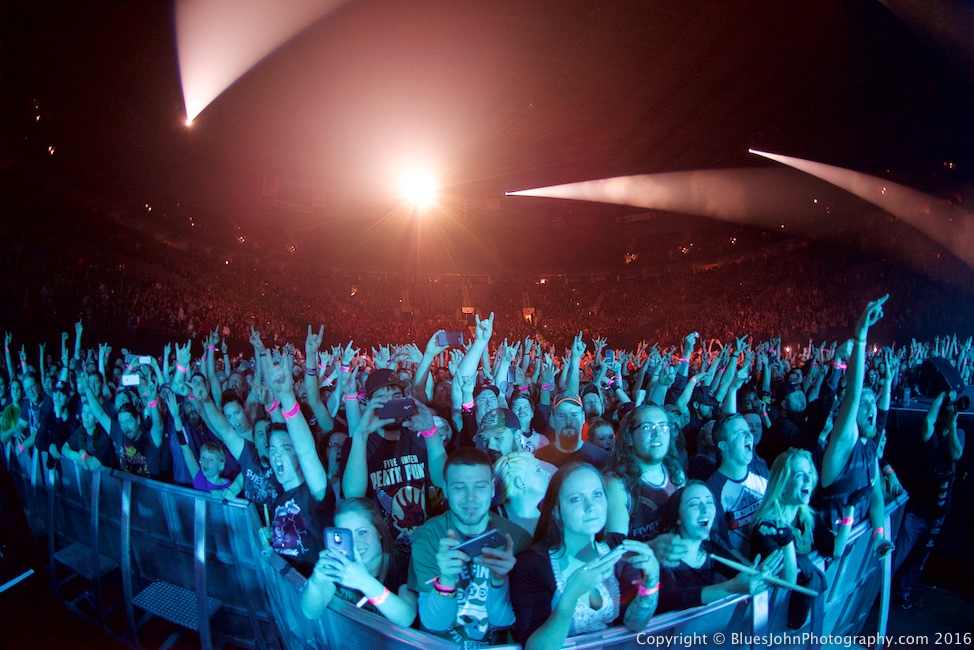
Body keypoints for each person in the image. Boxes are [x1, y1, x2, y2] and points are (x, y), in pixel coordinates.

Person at [510, 463, 659, 649]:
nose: (591, 507)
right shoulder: (531, 565)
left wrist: (652, 581)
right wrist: (569, 598)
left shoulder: (617, 548)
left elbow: (635, 623)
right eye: (576, 499)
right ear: (556, 511)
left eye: (597, 495)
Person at [407, 447, 530, 645]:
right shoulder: (429, 536)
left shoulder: (516, 539)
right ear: (445, 490)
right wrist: (446, 580)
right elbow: (434, 625)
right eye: (459, 487)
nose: (470, 497)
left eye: (480, 487)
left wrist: (499, 581)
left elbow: (503, 622)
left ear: (492, 489)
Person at [342, 368, 447, 553]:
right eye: (382, 398)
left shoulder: (418, 438)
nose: (390, 403)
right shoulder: (359, 443)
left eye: (396, 396)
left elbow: (442, 480)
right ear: (369, 402)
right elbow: (353, 494)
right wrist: (361, 434)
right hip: (383, 552)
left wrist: (430, 433)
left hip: (424, 549)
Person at [261, 352, 336, 577]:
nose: (277, 456)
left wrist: (286, 397)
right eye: (273, 450)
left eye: (285, 449)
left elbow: (306, 450)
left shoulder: (313, 492)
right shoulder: (277, 499)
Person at [656, 481, 781, 613]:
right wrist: (730, 587)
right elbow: (671, 599)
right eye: (693, 504)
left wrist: (754, 574)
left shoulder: (711, 542)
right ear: (678, 517)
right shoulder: (663, 551)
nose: (705, 509)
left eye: (709, 502)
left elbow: (735, 570)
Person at [891, 390, 965, 609]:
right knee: (899, 554)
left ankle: (903, 593)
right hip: (918, 510)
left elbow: (955, 454)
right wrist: (941, 396)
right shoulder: (929, 436)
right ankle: (878, 590)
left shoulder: (958, 433)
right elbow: (927, 425)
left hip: (937, 514)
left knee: (919, 559)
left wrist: (953, 423)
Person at [749, 449, 836, 629]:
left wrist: (849, 511)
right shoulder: (765, 528)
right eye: (799, 475)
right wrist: (787, 540)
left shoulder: (807, 516)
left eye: (809, 473)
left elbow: (835, 550)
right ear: (783, 484)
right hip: (764, 621)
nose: (808, 479)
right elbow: (787, 581)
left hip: (794, 616)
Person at [302, 498, 417, 627]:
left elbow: (407, 618)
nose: (356, 543)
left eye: (362, 532)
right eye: (347, 536)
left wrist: (364, 582)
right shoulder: (338, 568)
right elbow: (311, 612)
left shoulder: (401, 565)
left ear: (379, 531)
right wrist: (315, 581)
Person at [606, 405, 684, 544]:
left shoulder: (676, 473)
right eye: (647, 427)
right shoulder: (617, 485)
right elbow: (616, 551)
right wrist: (652, 549)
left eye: (663, 427)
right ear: (629, 437)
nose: (657, 433)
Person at [704, 413, 769, 556]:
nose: (748, 435)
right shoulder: (713, 490)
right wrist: (751, 571)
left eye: (747, 430)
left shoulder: (761, 471)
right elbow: (722, 544)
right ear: (723, 445)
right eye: (740, 433)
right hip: (744, 572)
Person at [536, 394, 608, 470]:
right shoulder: (538, 459)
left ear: (583, 418)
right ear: (552, 420)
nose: (569, 421)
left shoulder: (601, 458)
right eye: (562, 415)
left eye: (574, 415)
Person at [494, 451, 550, 535]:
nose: (548, 473)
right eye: (538, 470)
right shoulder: (493, 520)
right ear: (520, 483)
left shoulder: (551, 513)